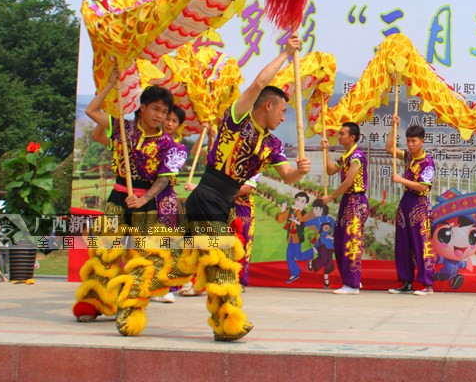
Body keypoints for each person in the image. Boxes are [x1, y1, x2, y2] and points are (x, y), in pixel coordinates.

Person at [183, 33, 310, 340]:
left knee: (215, 265)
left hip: (224, 204)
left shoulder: (273, 144)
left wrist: (299, 172)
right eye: (282, 111)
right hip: (207, 195)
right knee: (218, 263)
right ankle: (227, 323)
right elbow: (255, 84)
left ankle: (224, 324)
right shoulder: (237, 119)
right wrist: (285, 52)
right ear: (267, 105)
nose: (283, 117)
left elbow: (287, 175)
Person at [73, 73, 187, 330]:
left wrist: (144, 197)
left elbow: (164, 179)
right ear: (143, 107)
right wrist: (110, 84)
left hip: (146, 203)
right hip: (117, 198)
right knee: (104, 252)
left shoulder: (172, 145)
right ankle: (93, 302)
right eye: (155, 109)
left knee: (142, 258)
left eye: (165, 111)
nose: (160, 116)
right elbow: (92, 110)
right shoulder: (123, 129)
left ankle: (130, 304)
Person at [385, 115, 435, 295]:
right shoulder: (407, 156)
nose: (410, 144)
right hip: (406, 201)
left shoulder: (427, 162)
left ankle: (426, 284)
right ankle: (406, 282)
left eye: (413, 141)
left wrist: (401, 179)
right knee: (403, 243)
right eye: (408, 141)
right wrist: (394, 126)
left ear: (422, 141)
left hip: (419, 204)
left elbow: (423, 186)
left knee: (421, 243)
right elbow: (390, 148)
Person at [320, 122, 368, 295]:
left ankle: (353, 284)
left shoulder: (356, 156)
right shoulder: (346, 155)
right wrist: (326, 152)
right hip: (348, 201)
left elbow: (348, 182)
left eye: (342, 133)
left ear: (352, 137)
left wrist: (331, 197)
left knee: (351, 241)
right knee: (341, 241)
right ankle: (350, 280)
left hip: (356, 201)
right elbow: (331, 170)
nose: (339, 136)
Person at [150, 106, 189, 303]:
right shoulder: (146, 141)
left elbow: (165, 177)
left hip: (164, 198)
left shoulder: (177, 148)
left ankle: (165, 285)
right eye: (167, 118)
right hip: (141, 193)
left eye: (175, 121)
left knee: (166, 240)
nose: (169, 123)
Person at [277, 191, 315, 283]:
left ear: (305, 204)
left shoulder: (305, 213)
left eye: (302, 201)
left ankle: (311, 252)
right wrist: (283, 210)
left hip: (297, 237)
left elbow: (302, 221)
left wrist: (297, 211)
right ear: (295, 200)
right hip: (290, 237)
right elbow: (280, 220)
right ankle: (295, 273)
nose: (299, 203)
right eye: (297, 200)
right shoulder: (290, 211)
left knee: (298, 256)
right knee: (289, 256)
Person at [305, 199, 335, 288]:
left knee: (329, 262)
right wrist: (297, 222)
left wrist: (333, 237)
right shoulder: (316, 220)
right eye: (314, 209)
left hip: (330, 244)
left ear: (322, 209)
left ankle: (326, 279)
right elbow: (304, 224)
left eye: (316, 208)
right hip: (322, 243)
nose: (314, 211)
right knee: (324, 259)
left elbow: (335, 230)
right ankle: (312, 262)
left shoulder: (330, 219)